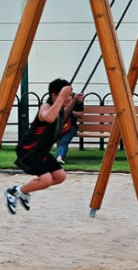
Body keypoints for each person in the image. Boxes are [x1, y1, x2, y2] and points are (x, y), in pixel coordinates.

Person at [5, 78, 83, 214]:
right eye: (66, 95)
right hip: (29, 150)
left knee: (60, 177)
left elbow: (65, 115)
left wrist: (76, 101)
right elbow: (48, 118)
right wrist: (62, 97)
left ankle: (22, 190)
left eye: (70, 95)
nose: (68, 98)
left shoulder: (59, 109)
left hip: (41, 151)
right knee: (46, 180)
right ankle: (14, 192)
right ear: (54, 95)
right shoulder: (46, 107)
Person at [55, 94, 84, 164]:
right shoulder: (58, 98)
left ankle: (59, 157)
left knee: (64, 140)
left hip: (71, 126)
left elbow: (80, 114)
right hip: (57, 126)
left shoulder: (76, 99)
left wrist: (70, 111)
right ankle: (58, 157)